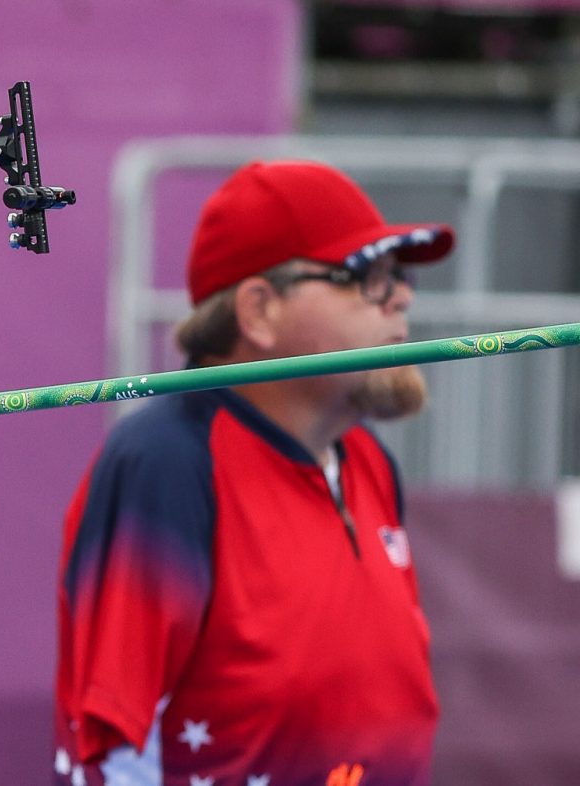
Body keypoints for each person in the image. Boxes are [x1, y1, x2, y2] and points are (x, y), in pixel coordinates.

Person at [52, 160, 455, 786]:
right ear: (260, 311)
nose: (402, 295)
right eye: (367, 275)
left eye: (399, 275)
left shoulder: (366, 458)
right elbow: (107, 750)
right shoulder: (168, 460)